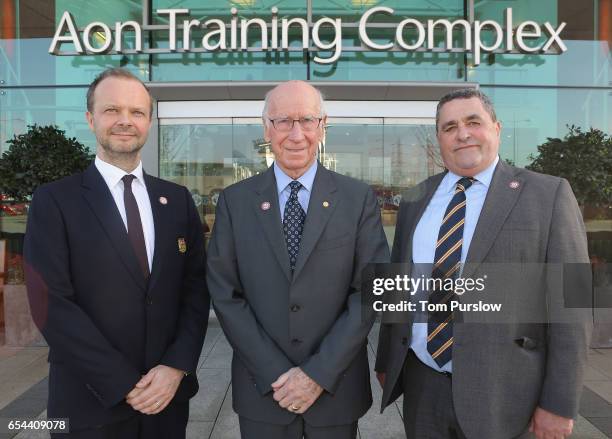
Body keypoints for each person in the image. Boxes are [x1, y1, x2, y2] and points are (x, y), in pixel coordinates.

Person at [375, 88, 591, 439]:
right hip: (422, 384)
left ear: (497, 128)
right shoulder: (417, 199)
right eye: (449, 127)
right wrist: (387, 361)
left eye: (473, 121)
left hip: (506, 393)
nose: (462, 133)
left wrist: (560, 402)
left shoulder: (548, 194)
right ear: (439, 138)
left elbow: (575, 305)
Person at [24, 68, 210, 438]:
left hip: (166, 402)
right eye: (112, 110)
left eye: (137, 112)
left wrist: (176, 366)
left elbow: (195, 290)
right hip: (90, 401)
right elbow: (52, 305)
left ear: (150, 122)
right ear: (91, 119)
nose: (125, 121)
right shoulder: (54, 201)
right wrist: (125, 383)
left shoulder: (176, 200)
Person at [206, 80, 389, 439]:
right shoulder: (235, 201)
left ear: (323, 126)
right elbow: (225, 293)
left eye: (306, 120)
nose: (295, 134)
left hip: (334, 387)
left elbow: (371, 291)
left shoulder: (357, 199)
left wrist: (317, 374)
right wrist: (276, 372)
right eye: (282, 121)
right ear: (266, 128)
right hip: (263, 388)